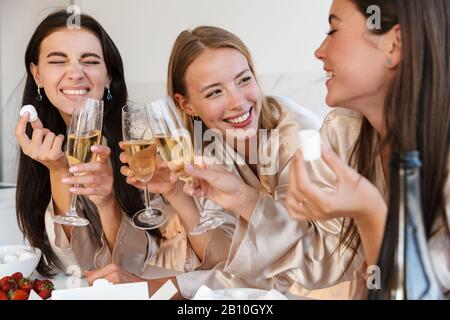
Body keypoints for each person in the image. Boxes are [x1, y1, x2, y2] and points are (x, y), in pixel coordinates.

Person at [84, 26, 358, 300]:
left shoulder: (299, 138)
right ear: (187, 105)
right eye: (215, 92)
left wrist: (169, 288)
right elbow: (225, 259)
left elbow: (291, 268)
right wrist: (175, 192)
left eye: (244, 80)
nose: (237, 102)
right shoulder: (208, 147)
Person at [286, 0, 449, 298]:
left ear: (393, 45)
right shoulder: (345, 132)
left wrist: (370, 213)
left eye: (333, 30)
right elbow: (322, 257)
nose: (320, 51)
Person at [15, 10, 194, 279]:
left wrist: (107, 201)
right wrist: (58, 170)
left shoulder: (142, 141)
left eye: (89, 60)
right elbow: (75, 266)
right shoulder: (42, 147)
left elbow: (144, 264)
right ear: (37, 74)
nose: (75, 73)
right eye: (57, 61)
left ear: (109, 76)